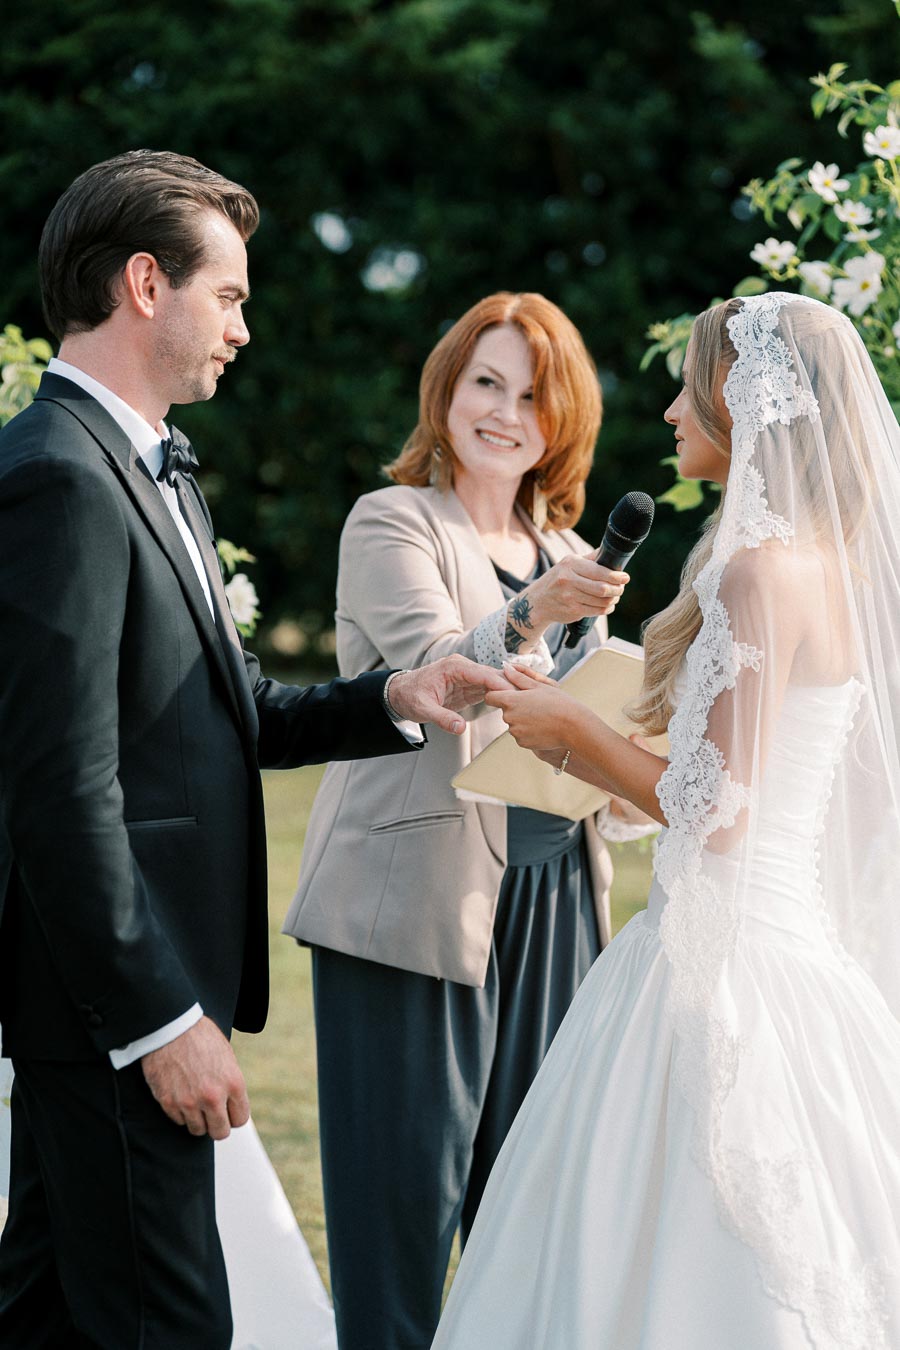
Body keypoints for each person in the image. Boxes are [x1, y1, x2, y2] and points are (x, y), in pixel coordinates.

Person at [0, 149, 509, 1350]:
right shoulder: (61, 481)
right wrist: (157, 1022)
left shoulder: (149, 466)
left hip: (112, 1009)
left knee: (47, 1320)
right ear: (143, 284)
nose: (243, 324)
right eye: (228, 294)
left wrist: (398, 692)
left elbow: (229, 712)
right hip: (112, 1014)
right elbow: (60, 789)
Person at [430, 292, 900, 1350]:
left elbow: (717, 812)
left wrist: (565, 730)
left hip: (715, 957)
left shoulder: (756, 572)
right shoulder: (837, 567)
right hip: (788, 947)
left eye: (691, 385)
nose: (672, 412)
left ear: (744, 400)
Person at [283, 291, 655, 1350]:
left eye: (533, 395)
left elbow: (578, 728)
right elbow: (441, 675)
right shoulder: (390, 519)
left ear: (564, 421)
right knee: (398, 1228)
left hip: (556, 907)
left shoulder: (575, 548)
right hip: (414, 909)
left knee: (526, 1224)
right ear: (446, 388)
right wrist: (538, 612)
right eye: (486, 382)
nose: (505, 411)